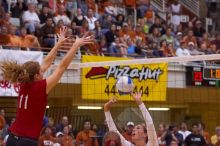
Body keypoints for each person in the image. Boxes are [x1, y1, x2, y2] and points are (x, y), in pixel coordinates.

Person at [1, 27, 94, 146]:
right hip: (26, 141)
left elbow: (46, 63)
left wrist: (59, 43)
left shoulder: (24, 82)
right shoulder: (40, 87)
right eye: (40, 72)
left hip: (12, 138)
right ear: (35, 76)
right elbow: (62, 67)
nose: (42, 72)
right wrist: (75, 45)